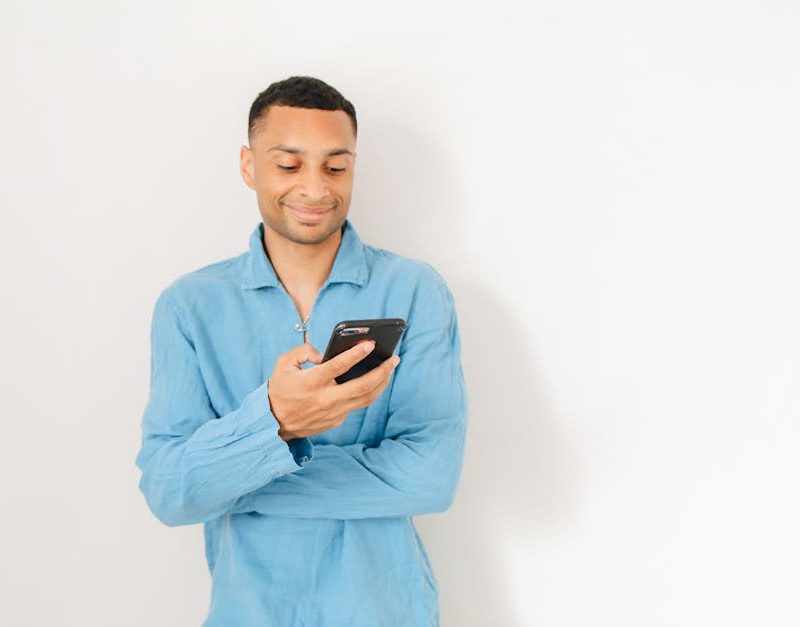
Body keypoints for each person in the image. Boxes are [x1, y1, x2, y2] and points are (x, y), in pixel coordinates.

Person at [135, 75, 468, 626]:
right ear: (249, 166)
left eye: (335, 167)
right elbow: (169, 492)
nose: (315, 189)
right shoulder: (188, 306)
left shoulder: (414, 290)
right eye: (289, 165)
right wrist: (276, 421)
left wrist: (242, 476)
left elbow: (431, 478)